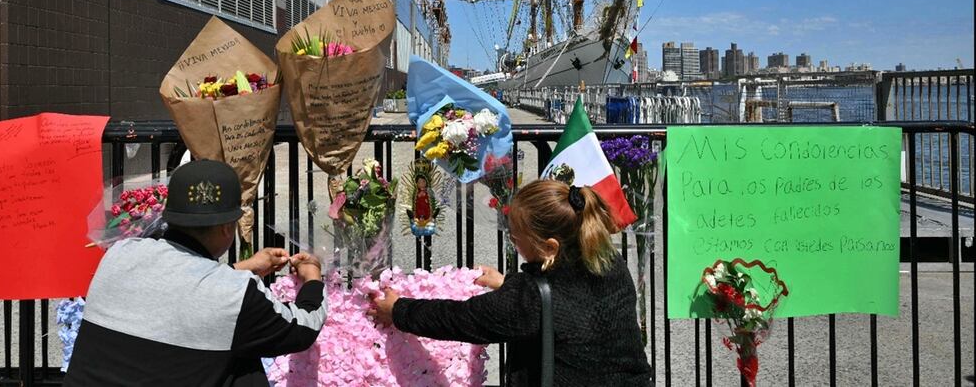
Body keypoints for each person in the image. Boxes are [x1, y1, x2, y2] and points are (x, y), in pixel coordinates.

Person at [65, 160, 326, 386]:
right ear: (227, 228)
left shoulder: (119, 254)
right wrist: (312, 275)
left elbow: (176, 288)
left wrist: (245, 266)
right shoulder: (234, 294)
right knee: (245, 367)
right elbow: (301, 329)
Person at [369, 179, 651, 387]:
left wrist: (398, 311)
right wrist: (507, 283)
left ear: (549, 248)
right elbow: (567, 305)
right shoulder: (610, 264)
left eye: (516, 238)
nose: (513, 242)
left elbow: (462, 319)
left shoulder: (528, 299)